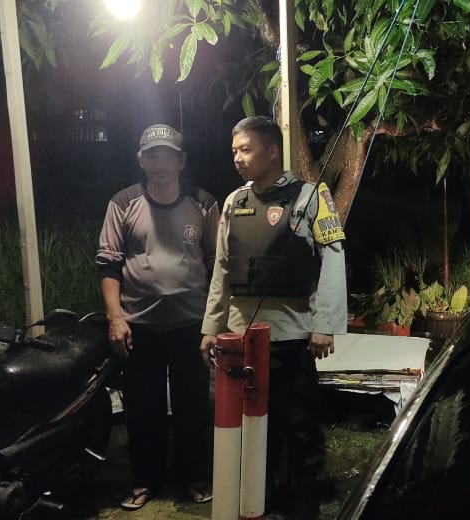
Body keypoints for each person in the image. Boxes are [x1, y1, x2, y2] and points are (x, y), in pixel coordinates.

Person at [200, 116, 347, 520]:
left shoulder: (310, 196)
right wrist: (211, 328)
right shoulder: (234, 202)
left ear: (271, 152)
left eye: (246, 150)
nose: (238, 158)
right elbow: (222, 269)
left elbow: (334, 259)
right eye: (234, 151)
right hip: (241, 336)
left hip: (292, 334)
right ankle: (259, 500)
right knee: (251, 427)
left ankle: (303, 506)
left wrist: (324, 325)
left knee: (298, 426)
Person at [96, 123, 220, 510]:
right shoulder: (123, 202)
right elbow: (108, 264)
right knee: (142, 409)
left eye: (167, 155)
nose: (159, 162)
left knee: (192, 407)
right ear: (141, 160)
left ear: (181, 161)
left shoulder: (203, 203)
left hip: (191, 326)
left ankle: (193, 477)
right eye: (151, 155)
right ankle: (144, 481)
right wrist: (115, 318)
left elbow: (217, 263)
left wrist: (215, 322)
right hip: (139, 327)